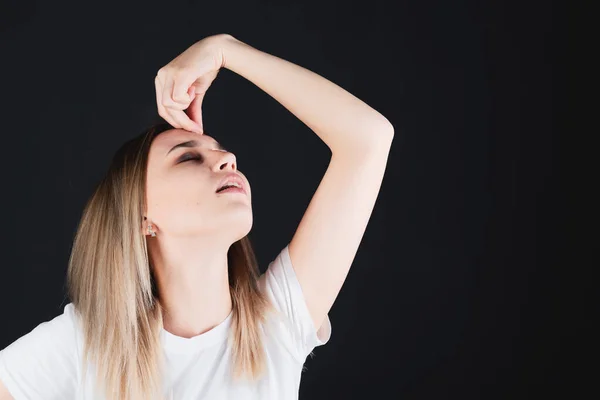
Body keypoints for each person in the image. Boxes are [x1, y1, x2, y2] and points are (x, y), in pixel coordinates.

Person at [0, 33, 394, 400]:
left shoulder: (279, 320)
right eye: (188, 157)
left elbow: (368, 138)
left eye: (220, 150)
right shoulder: (85, 344)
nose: (227, 158)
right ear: (142, 216)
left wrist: (226, 49)